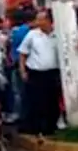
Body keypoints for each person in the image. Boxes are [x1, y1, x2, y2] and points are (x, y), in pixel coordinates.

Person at [17, 9, 62, 137]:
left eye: (40, 19)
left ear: (48, 20)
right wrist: (23, 71)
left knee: (52, 102)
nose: (37, 22)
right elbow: (22, 54)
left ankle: (50, 127)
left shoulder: (57, 34)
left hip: (52, 73)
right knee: (36, 102)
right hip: (36, 73)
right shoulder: (32, 35)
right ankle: (36, 127)